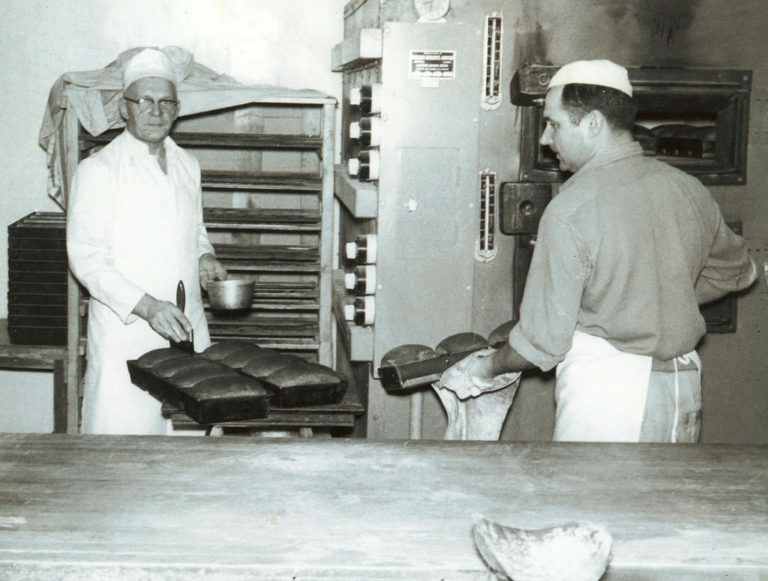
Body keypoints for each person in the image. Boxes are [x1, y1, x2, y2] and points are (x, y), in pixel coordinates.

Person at [440, 59, 757, 443]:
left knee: (590, 488)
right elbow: (738, 272)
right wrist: (655, 300)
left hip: (609, 395)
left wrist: (484, 369)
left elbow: (542, 342)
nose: (545, 139)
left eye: (554, 124)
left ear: (592, 123)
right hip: (681, 389)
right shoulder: (686, 188)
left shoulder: (570, 210)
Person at [67, 48, 227, 434]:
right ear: (125, 108)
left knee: (192, 444)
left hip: (188, 326)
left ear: (177, 109)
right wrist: (149, 307)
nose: (156, 112)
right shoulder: (98, 170)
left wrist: (205, 257)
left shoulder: (188, 165)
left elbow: (195, 229)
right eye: (144, 101)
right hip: (128, 333)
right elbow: (87, 259)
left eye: (165, 102)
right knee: (125, 446)